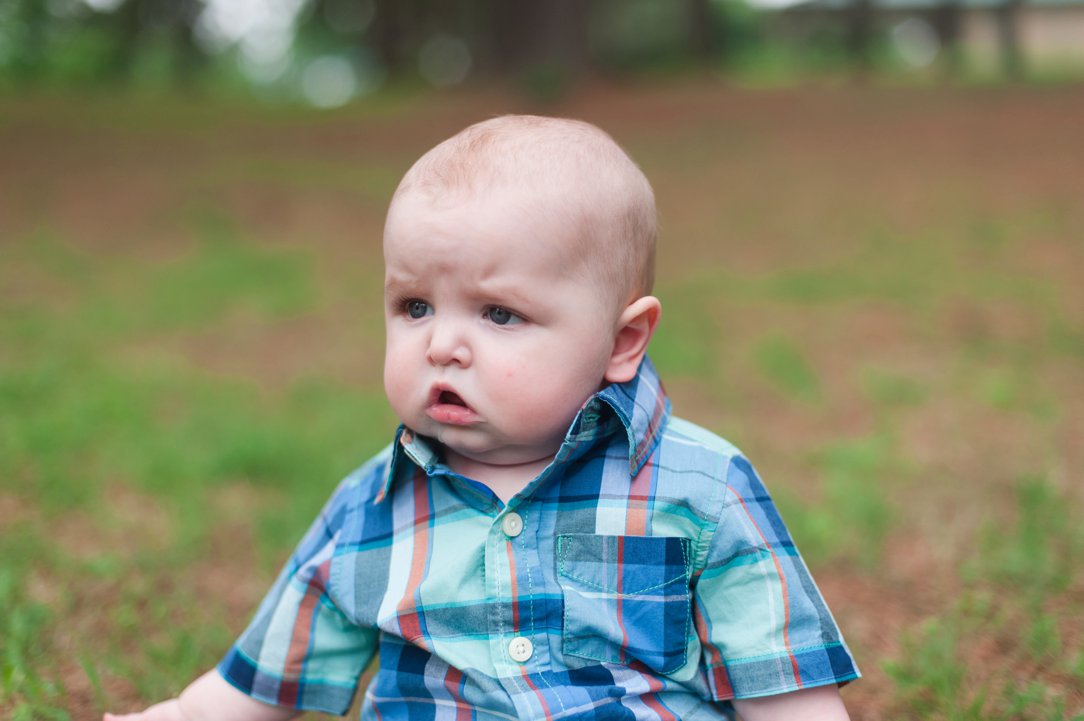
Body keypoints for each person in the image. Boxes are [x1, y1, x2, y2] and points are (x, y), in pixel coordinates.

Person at [105, 115, 859, 721]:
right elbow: (262, 681)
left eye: (500, 313)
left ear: (621, 341)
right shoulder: (371, 508)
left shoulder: (702, 489)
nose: (442, 345)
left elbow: (785, 688)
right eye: (415, 306)